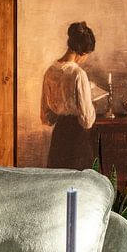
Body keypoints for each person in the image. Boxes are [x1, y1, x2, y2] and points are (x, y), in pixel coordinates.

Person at [40, 21, 98, 169]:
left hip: (59, 136)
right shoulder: (78, 74)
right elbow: (87, 121)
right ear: (82, 52)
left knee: (59, 178)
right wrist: (90, 100)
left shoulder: (50, 71)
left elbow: (47, 117)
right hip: (77, 138)